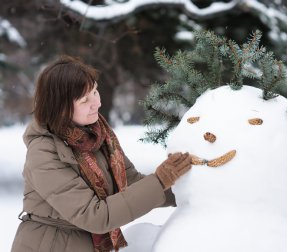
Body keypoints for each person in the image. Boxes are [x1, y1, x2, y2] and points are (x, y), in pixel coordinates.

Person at [11, 55, 192, 252]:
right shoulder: (43, 154)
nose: (96, 103)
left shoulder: (97, 135)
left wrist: (187, 191)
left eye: (95, 91)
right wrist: (159, 181)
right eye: (84, 100)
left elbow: (129, 182)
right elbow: (94, 216)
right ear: (60, 108)